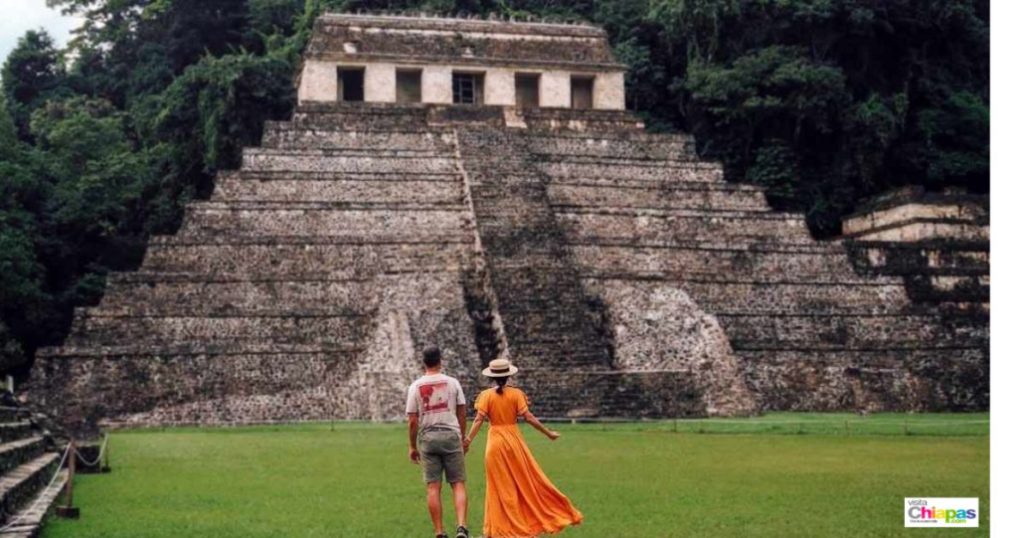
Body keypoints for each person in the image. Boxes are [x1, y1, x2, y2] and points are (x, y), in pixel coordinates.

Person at [465, 358, 583, 537]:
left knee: (497, 487)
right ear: (509, 375)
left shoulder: (486, 396)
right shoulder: (517, 394)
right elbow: (529, 417)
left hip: (495, 443)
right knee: (525, 482)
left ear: (492, 377)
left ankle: (497, 528)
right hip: (513, 442)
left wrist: (467, 440)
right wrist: (548, 433)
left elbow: (478, 420)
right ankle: (514, 524)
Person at [407, 346, 471, 538]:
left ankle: (439, 532)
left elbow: (412, 420)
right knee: (458, 483)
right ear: (440, 361)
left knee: (433, 487)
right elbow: (462, 411)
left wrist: (412, 446)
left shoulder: (415, 386)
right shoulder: (453, 383)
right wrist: (462, 436)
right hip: (451, 435)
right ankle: (461, 527)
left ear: (423, 363)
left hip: (428, 438)